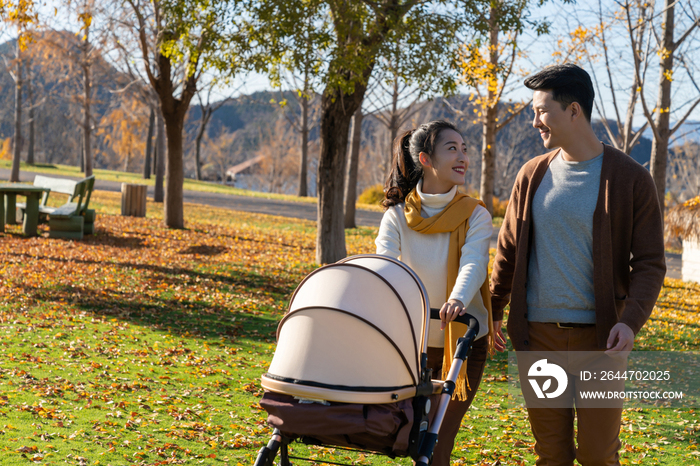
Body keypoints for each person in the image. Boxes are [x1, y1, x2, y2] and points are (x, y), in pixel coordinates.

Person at [490, 63, 666, 465]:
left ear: (573, 111)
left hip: (601, 343)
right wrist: (495, 308)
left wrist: (630, 320)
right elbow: (508, 250)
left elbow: (651, 263)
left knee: (598, 454)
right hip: (538, 340)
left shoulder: (632, 179)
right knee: (550, 453)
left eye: (541, 110)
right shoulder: (531, 175)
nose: (535, 121)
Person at [375, 120, 496, 466]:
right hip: (414, 339)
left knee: (438, 438)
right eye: (452, 148)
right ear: (426, 159)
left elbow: (473, 263)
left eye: (465, 149)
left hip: (463, 340)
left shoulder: (475, 214)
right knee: (412, 432)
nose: (463, 157)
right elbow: (386, 265)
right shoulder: (397, 215)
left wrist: (457, 299)